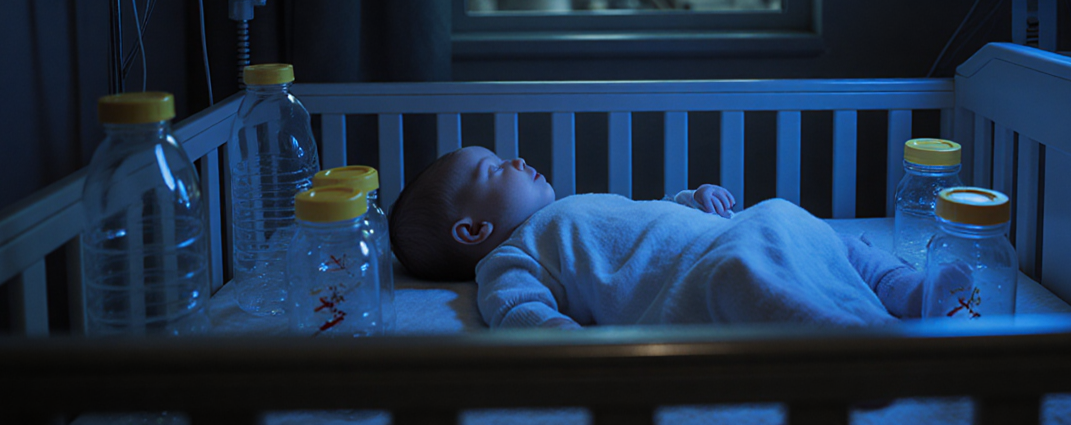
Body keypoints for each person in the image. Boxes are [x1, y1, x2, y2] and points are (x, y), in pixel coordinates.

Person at [389, 146, 940, 329]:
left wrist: (691, 200)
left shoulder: (575, 207)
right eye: (492, 169)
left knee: (799, 222)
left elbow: (643, 217)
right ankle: (851, 343)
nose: (515, 157)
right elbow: (518, 314)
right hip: (703, 272)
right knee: (752, 280)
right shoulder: (512, 258)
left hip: (728, 232)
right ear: (473, 230)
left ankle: (904, 287)